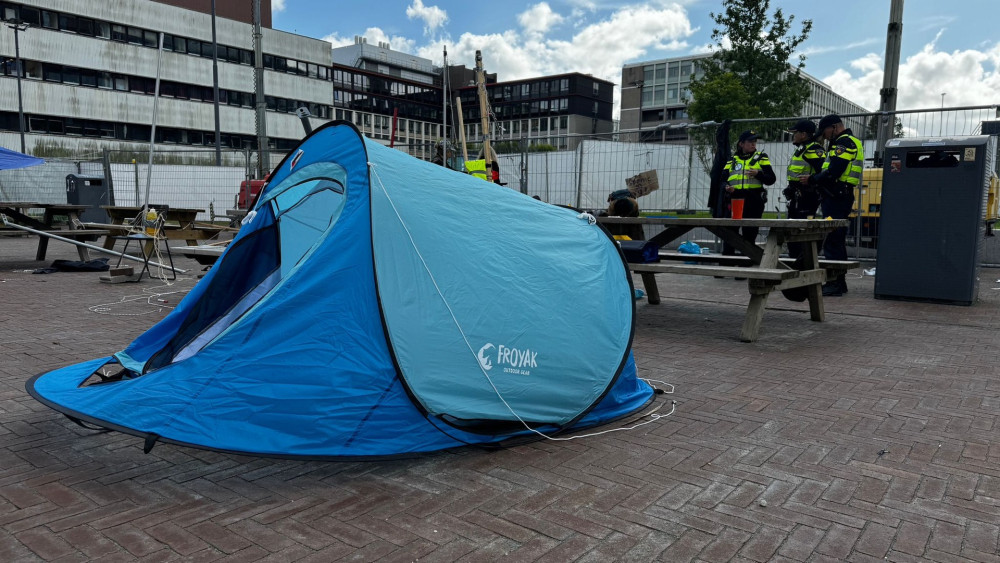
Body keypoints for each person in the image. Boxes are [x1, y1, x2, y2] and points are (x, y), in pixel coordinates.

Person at [798, 114, 863, 296]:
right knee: (836, 239)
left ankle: (834, 283)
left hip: (837, 195)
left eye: (825, 131)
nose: (824, 136)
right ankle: (839, 282)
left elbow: (834, 170)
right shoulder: (851, 142)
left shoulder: (843, 143)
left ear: (834, 127)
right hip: (839, 195)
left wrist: (812, 179)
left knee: (833, 240)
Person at [722, 130, 776, 256]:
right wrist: (726, 187)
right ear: (741, 144)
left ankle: (745, 263)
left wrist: (758, 174)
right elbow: (722, 180)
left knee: (749, 234)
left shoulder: (761, 158)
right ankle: (726, 263)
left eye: (755, 142)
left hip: (753, 201)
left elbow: (771, 179)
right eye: (750, 142)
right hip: (734, 200)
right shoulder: (732, 160)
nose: (753, 144)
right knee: (730, 233)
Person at [782, 119, 826, 260]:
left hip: (807, 197)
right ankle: (795, 260)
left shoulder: (814, 149)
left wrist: (811, 180)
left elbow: (823, 172)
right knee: (792, 229)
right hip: (796, 196)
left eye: (795, 133)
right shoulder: (802, 149)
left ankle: (803, 261)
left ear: (803, 134)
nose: (793, 135)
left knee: (803, 231)